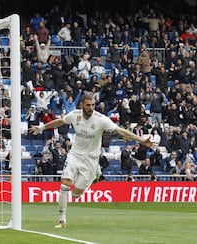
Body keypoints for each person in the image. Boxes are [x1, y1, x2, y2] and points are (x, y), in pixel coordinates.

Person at [29, 94, 157, 228]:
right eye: (88, 105)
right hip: (75, 155)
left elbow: (121, 131)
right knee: (64, 185)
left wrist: (142, 140)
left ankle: (95, 173)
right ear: (82, 105)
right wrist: (42, 127)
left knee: (75, 195)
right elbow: (60, 121)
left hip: (91, 160)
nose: (91, 108)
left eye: (93, 105)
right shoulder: (75, 115)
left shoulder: (101, 119)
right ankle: (62, 220)